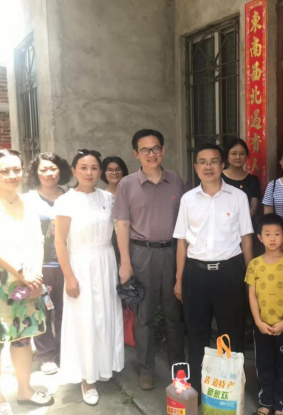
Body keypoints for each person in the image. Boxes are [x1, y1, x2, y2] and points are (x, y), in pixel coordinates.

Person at [173, 143, 253, 392]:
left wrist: (251, 276)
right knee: (196, 334)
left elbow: (246, 238)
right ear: (196, 167)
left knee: (230, 334)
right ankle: (197, 389)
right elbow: (181, 241)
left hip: (229, 273)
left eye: (214, 161)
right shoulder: (188, 199)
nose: (208, 167)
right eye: (203, 162)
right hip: (195, 274)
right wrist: (179, 279)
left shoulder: (238, 197)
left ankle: (228, 390)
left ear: (222, 165)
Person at [113, 129, 186, 391]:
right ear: (136, 153)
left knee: (174, 313)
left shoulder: (176, 180)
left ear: (163, 150)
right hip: (142, 254)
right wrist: (125, 262)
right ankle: (146, 368)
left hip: (173, 251)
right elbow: (122, 224)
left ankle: (179, 367)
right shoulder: (127, 184)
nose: (151, 154)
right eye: (145, 150)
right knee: (144, 315)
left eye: (156, 148)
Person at [0, 149, 54, 415]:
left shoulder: (28, 203)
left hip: (27, 284)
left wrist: (36, 276)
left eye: (16, 169)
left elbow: (38, 241)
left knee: (23, 338)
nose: (12, 175)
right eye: (5, 170)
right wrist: (24, 272)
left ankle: (25, 390)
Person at [55, 149, 124, 405]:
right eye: (83, 168)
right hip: (80, 265)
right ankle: (87, 378)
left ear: (100, 171)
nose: (89, 172)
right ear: (74, 171)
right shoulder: (66, 201)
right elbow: (59, 242)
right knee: (84, 319)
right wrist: (69, 277)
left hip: (105, 262)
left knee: (104, 316)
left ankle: (104, 365)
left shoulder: (108, 198)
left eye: (94, 168)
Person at [246, 214, 283, 415]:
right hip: (262, 325)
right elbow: (252, 296)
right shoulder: (254, 265)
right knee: (264, 364)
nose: (272, 238)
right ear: (260, 238)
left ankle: (281, 406)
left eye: (277, 234)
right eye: (267, 234)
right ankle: (265, 403)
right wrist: (258, 322)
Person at [24, 152, 72, 376]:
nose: (49, 173)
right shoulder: (28, 200)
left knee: (66, 309)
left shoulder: (70, 197)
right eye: (43, 169)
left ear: (61, 171)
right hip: (41, 264)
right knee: (42, 309)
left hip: (68, 263)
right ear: (36, 173)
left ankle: (64, 349)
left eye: (53, 168)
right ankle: (45, 354)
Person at [222, 138, 262, 217]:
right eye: (233, 153)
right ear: (227, 155)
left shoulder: (253, 180)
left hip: (246, 222)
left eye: (242, 154)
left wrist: (241, 222)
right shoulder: (218, 178)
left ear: (247, 156)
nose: (238, 157)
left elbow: (253, 209)